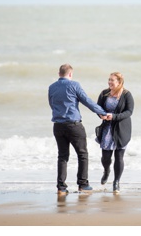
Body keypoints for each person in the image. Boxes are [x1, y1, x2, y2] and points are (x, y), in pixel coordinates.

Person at [48, 63, 108, 195]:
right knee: (82, 154)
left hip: (58, 125)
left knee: (62, 156)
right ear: (70, 74)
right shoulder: (74, 85)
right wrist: (102, 113)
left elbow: (52, 104)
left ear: (59, 74)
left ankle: (61, 187)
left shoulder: (51, 87)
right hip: (73, 125)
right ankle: (83, 184)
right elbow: (86, 101)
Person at [95, 72, 134, 193]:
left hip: (122, 129)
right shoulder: (104, 93)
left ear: (119, 82)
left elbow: (129, 112)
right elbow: (98, 108)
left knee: (119, 156)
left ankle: (116, 182)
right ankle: (106, 171)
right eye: (109, 80)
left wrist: (114, 116)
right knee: (105, 158)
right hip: (107, 129)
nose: (109, 82)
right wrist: (101, 114)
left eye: (112, 80)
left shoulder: (127, 94)